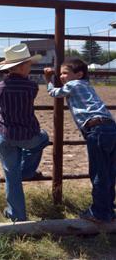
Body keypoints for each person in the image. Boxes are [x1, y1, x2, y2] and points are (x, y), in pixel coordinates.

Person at [44, 58, 116, 223]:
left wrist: (48, 80)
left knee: (98, 172)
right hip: (110, 128)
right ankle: (108, 210)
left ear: (79, 74)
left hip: (96, 130)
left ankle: (99, 213)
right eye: (60, 73)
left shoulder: (73, 84)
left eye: (65, 73)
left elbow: (55, 93)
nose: (61, 76)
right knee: (109, 172)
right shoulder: (86, 85)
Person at [0, 43, 49, 222]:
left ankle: (17, 214)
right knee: (44, 138)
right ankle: (27, 171)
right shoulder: (32, 87)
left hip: (6, 134)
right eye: (28, 64)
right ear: (20, 67)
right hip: (28, 135)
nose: (30, 68)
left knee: (11, 175)